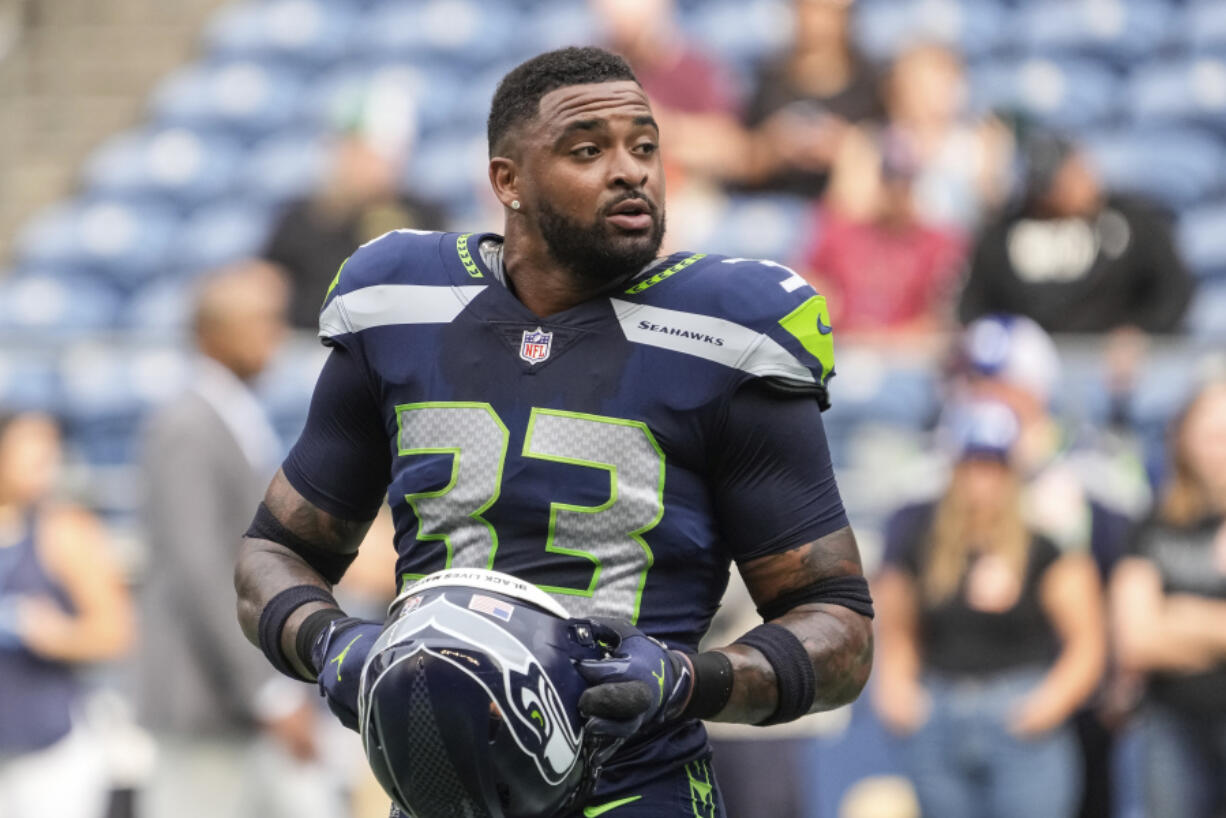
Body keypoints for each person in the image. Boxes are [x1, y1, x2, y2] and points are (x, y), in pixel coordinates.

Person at [235, 46, 875, 816]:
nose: (630, 170)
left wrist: (684, 679)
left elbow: (840, 629)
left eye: (644, 146)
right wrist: (333, 645)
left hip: (638, 790)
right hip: (438, 791)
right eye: (587, 150)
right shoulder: (398, 302)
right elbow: (275, 551)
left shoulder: (724, 331)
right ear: (507, 181)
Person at [137, 261, 347, 818]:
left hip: (240, 701)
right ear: (211, 333)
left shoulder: (232, 413)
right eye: (257, 321)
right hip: (207, 701)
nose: (274, 335)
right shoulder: (189, 424)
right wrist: (268, 694)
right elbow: (201, 570)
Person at [874, 400, 1107, 818]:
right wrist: (896, 686)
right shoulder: (920, 541)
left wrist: (1050, 702)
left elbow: (1087, 639)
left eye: (994, 466)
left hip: (1018, 713)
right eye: (972, 464)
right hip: (940, 712)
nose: (982, 479)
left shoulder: (1044, 544)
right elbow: (897, 627)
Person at [0, 411, 134, 818]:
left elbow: (116, 632)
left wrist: (52, 633)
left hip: (48, 756)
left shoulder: (65, 530)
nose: (44, 459)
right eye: (29, 446)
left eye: (50, 448)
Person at [1111, 377, 1226, 818]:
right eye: (1211, 433)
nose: (1220, 447)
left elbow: (1156, 630)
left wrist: (1181, 615)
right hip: (1172, 725)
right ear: (1184, 438)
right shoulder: (1152, 527)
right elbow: (1137, 640)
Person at [958, 133, 1195, 335]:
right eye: (1052, 185)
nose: (1066, 190)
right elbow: (976, 305)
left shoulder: (1131, 222)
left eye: (1070, 176)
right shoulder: (1004, 233)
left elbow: (1173, 290)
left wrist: (1143, 331)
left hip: (1113, 364)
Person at [262, 82, 448, 330]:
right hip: (309, 343)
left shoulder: (423, 216)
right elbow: (270, 288)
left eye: (368, 152)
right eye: (349, 149)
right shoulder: (299, 217)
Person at [741, 0, 885, 197]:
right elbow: (747, 160)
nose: (814, 21)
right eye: (806, 9)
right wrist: (775, 146)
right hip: (777, 200)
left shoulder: (870, 82)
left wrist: (844, 146)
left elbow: (887, 152)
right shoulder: (771, 77)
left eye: (823, 11)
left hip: (843, 205)